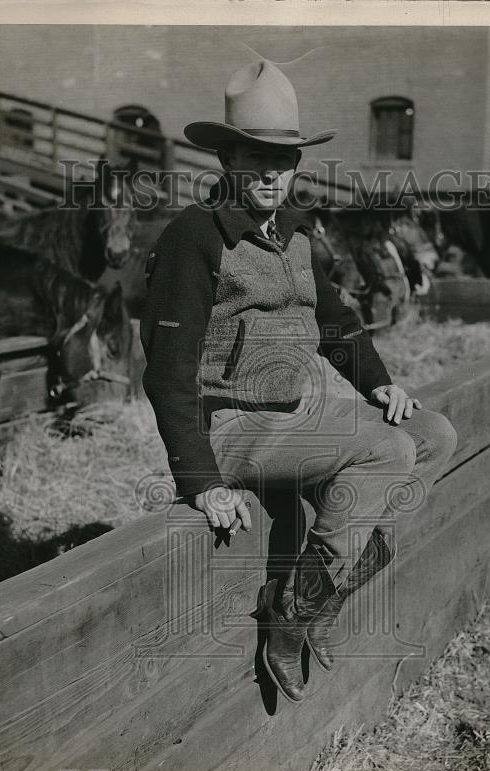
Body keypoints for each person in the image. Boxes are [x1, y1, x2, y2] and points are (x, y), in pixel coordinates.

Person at [140, 60, 458, 703]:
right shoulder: (193, 238)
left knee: (432, 433)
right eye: (255, 157)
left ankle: (331, 579)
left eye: (282, 160)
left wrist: (379, 384)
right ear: (227, 157)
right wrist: (198, 481)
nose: (269, 173)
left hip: (297, 409)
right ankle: (291, 610)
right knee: (386, 451)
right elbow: (167, 366)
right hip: (233, 421)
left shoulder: (295, 231)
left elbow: (336, 321)